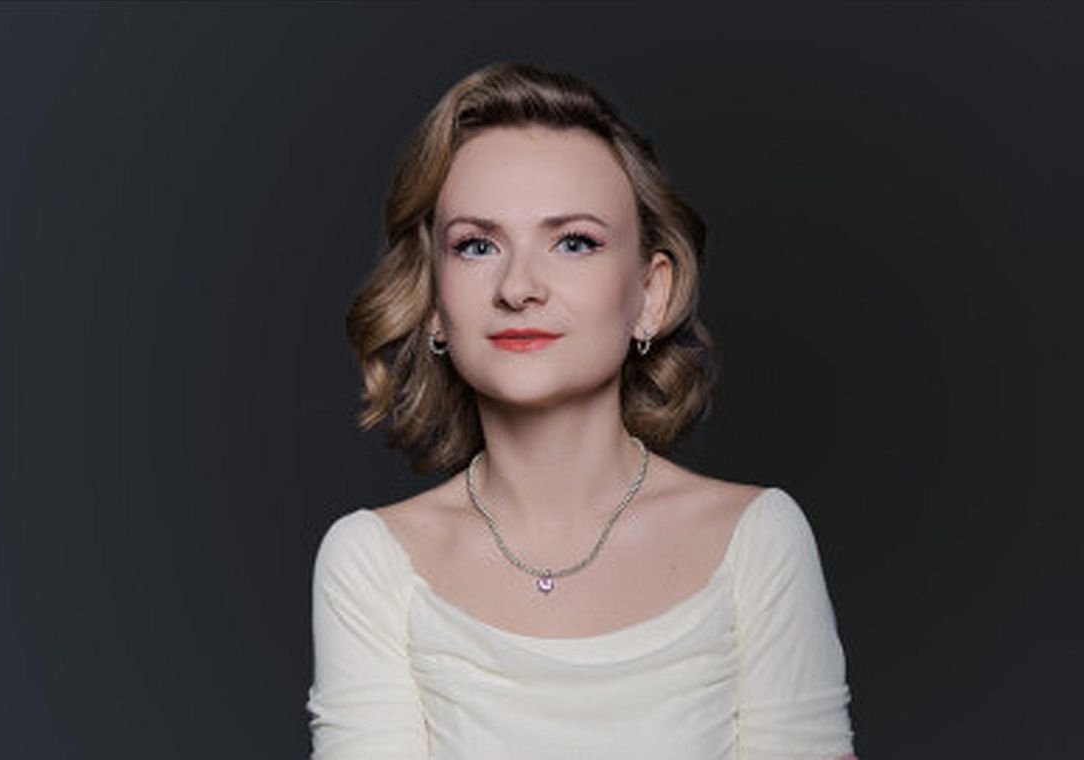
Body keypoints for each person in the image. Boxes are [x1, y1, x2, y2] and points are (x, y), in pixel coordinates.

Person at [307, 62, 857, 760]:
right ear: (435, 302)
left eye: (574, 242)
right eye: (476, 245)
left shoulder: (757, 541)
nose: (518, 287)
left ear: (650, 294)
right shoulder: (372, 563)